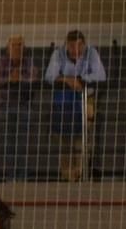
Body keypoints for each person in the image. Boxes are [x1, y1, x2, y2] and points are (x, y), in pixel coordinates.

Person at [44, 30, 106, 182]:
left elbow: (101, 75)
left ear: (84, 45)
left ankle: (81, 172)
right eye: (72, 46)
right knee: (63, 139)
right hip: (64, 101)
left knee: (85, 136)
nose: (76, 50)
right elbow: (50, 76)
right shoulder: (58, 54)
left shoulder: (91, 53)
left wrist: (81, 80)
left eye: (79, 45)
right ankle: (67, 175)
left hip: (86, 98)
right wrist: (67, 80)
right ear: (66, 45)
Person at [0, 35, 38, 179]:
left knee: (23, 143)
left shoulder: (29, 62)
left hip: (24, 105)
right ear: (8, 48)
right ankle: (10, 176)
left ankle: (22, 176)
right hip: (5, 106)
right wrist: (10, 79)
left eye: (20, 45)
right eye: (14, 45)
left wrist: (19, 79)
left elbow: (33, 79)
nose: (17, 48)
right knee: (9, 143)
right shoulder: (2, 62)